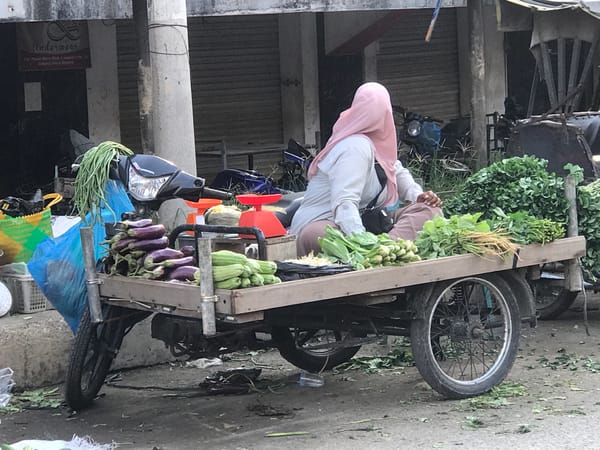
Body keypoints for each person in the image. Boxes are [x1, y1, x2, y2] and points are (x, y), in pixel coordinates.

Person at [290, 82, 443, 256]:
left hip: (367, 225)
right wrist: (363, 244)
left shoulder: (382, 149)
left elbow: (398, 172)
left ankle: (386, 251)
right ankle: (377, 255)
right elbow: (345, 205)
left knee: (430, 211)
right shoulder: (354, 147)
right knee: (324, 236)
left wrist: (419, 197)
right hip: (327, 224)